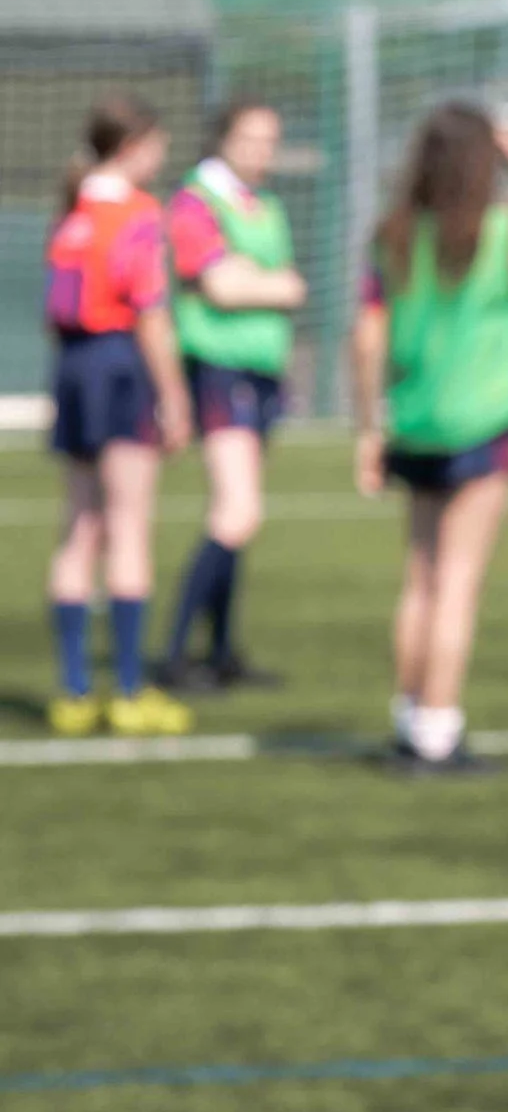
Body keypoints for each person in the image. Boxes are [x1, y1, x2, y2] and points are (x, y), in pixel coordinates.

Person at [350, 105, 508, 771]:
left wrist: (369, 428)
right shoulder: (503, 235)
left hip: (414, 421)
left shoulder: (394, 235)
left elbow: (366, 336)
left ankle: (408, 717)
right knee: (457, 581)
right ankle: (438, 728)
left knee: (420, 578)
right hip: (481, 425)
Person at [44, 97, 194, 738]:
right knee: (131, 525)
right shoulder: (137, 213)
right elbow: (152, 311)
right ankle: (130, 691)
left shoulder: (75, 213)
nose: (162, 157)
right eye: (157, 144)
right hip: (120, 362)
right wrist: (175, 393)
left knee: (79, 528)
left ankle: (73, 693)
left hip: (74, 368)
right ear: (132, 146)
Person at [158, 100, 306, 691]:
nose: (261, 150)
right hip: (218, 369)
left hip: (261, 369)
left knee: (241, 518)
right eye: (249, 137)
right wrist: (264, 284)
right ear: (222, 137)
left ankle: (220, 651)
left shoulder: (265, 205)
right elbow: (220, 285)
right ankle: (172, 656)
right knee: (236, 510)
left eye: (270, 139)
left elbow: (285, 282)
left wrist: (258, 281)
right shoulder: (196, 201)